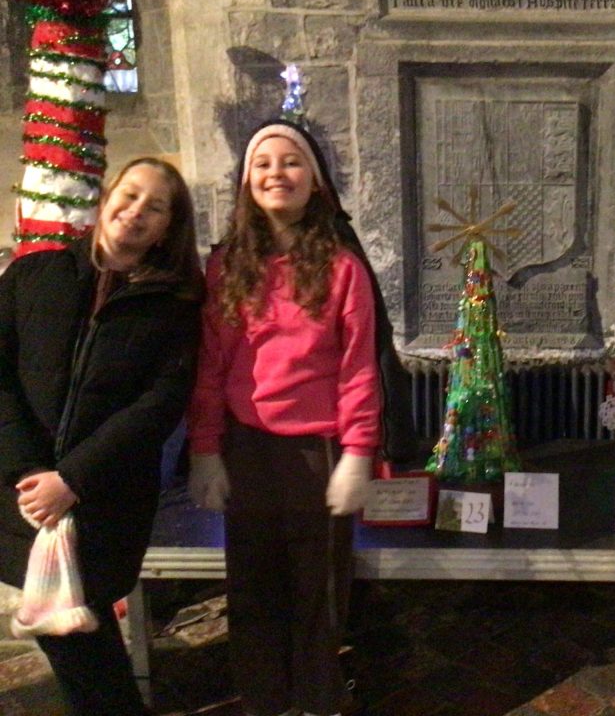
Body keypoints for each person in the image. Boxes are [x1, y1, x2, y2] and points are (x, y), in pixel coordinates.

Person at [187, 119, 382, 716]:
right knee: (252, 586)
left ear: (315, 180)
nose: (277, 173)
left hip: (316, 452)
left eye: (291, 161)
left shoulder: (343, 269)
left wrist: (357, 453)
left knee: (318, 589)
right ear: (248, 181)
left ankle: (319, 700)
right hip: (247, 450)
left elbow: (357, 368)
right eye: (264, 163)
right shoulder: (226, 268)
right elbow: (211, 366)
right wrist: (205, 451)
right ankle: (265, 700)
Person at [0, 157, 204, 715]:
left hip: (105, 498)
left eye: (154, 207)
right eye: (130, 195)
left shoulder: (175, 306)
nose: (136, 211)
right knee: (75, 641)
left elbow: (159, 404)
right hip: (25, 497)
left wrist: (71, 479)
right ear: (108, 195)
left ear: (166, 228)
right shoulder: (32, 276)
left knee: (79, 639)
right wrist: (28, 472)